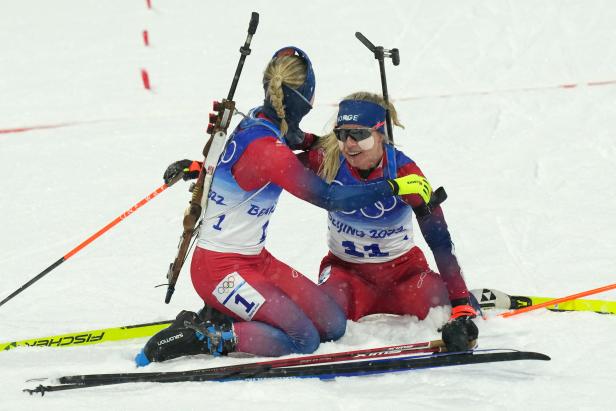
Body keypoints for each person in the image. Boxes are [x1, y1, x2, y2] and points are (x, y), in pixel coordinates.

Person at [136, 48, 433, 366]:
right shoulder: (271, 152)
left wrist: (313, 141)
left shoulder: (260, 120)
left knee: (331, 324)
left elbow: (290, 141)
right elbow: (330, 198)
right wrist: (393, 186)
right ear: (305, 100)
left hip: (255, 260)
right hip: (219, 269)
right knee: (303, 339)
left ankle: (224, 312)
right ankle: (202, 336)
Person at [298, 92, 479, 352]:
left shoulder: (405, 172)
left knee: (446, 307)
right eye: (341, 134)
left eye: (359, 135)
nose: (349, 144)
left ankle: (469, 296)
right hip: (347, 275)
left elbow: (439, 240)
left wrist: (461, 303)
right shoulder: (327, 160)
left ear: (381, 133)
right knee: (322, 322)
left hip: (403, 276)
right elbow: (272, 164)